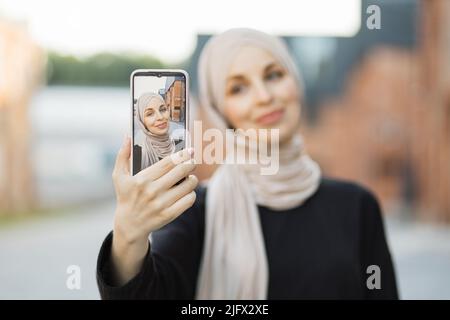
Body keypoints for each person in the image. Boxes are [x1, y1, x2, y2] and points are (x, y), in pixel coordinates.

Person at [96, 28, 398, 299]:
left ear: (296, 83)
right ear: (221, 112)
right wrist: (128, 236)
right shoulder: (193, 211)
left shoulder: (357, 206)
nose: (264, 96)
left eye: (274, 75)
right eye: (238, 88)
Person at [135, 92, 179, 170]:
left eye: (163, 109)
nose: (160, 117)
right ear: (142, 122)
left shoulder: (181, 144)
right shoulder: (137, 154)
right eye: (150, 114)